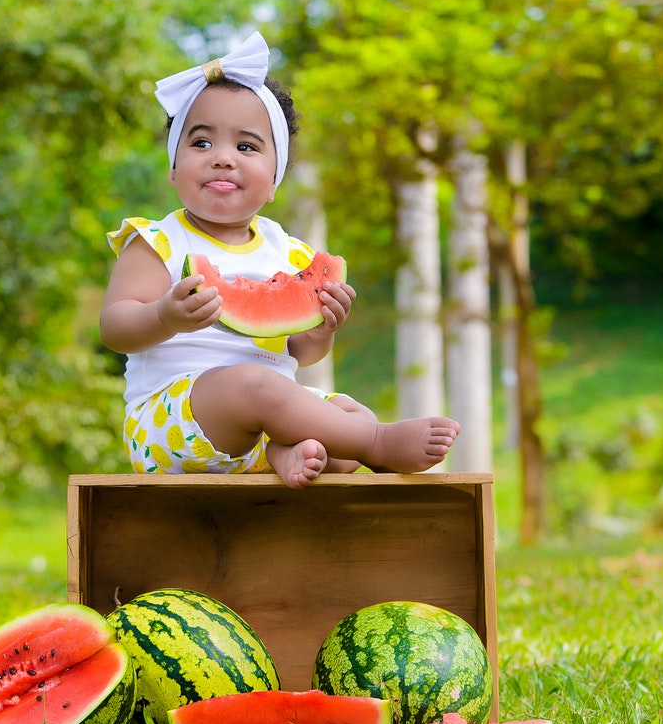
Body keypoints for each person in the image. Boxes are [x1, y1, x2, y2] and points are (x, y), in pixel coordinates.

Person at [99, 31, 459, 488]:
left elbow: (300, 353)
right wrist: (164, 315)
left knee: (347, 409)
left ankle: (286, 453)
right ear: (174, 167)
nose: (223, 159)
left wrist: (321, 328)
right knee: (261, 386)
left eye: (246, 147)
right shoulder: (157, 241)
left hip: (267, 415)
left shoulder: (288, 252)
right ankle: (377, 445)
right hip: (173, 425)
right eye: (201, 143)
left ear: (273, 182)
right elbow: (115, 328)